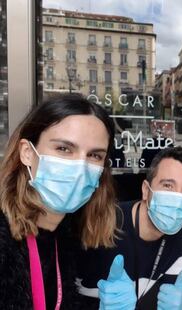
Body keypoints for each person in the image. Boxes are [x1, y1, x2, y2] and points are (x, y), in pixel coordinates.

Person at [0, 94, 118, 309]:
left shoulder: (66, 235)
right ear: (27, 152)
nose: (80, 166)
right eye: (64, 149)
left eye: (94, 155)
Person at [76, 146, 182, 310]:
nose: (178, 198)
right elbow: (61, 295)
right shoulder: (104, 225)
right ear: (146, 191)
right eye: (168, 185)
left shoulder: (180, 233)